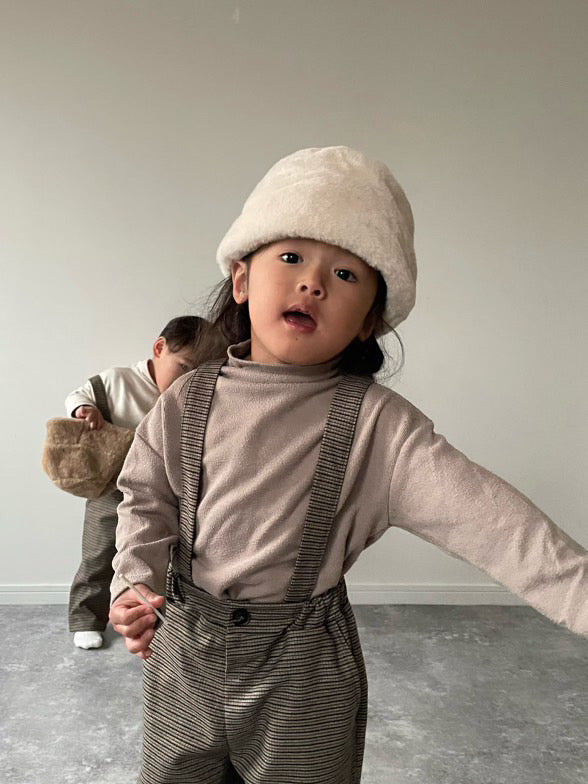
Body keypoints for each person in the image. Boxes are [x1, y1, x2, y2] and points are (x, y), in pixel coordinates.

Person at [109, 147, 587, 784]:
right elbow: (144, 497)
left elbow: (502, 529)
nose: (313, 283)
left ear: (369, 322)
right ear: (242, 279)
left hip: (304, 678)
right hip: (181, 659)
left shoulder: (380, 430)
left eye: (345, 274)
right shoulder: (187, 399)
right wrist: (134, 581)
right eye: (291, 258)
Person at [67, 315, 212, 650]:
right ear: (159, 348)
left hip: (164, 490)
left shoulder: (189, 395)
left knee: (163, 555)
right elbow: (78, 394)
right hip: (111, 486)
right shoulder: (119, 380)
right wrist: (84, 410)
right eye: (184, 366)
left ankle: (155, 614)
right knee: (98, 553)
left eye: (197, 371)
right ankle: (86, 618)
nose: (188, 377)